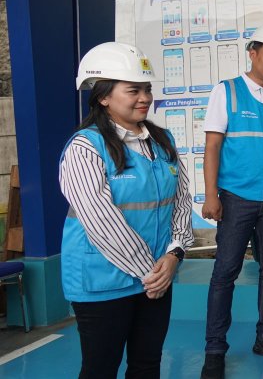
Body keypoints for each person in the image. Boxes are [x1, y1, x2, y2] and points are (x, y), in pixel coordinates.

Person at [59, 42, 193, 377]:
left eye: (147, 88)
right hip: (104, 283)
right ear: (103, 96)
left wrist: (175, 253)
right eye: (133, 90)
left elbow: (181, 202)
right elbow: (101, 221)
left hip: (156, 276)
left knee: (147, 364)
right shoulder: (84, 148)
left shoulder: (162, 142)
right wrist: (154, 272)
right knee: (100, 368)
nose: (145, 97)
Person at [200, 24, 263, 379]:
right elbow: (212, 146)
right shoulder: (226, 92)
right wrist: (211, 194)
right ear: (253, 53)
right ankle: (215, 349)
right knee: (225, 272)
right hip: (235, 198)